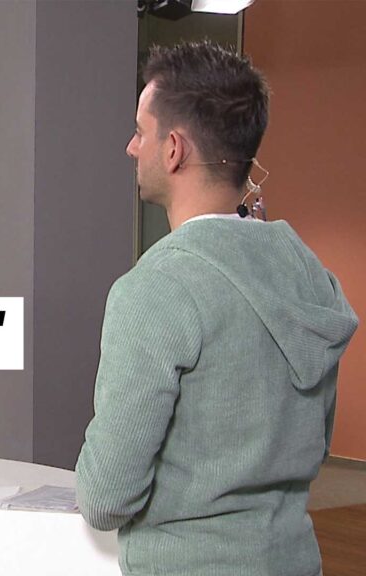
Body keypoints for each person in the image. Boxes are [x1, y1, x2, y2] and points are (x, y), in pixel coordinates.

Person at [75, 42, 358, 576]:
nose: (131, 147)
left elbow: (107, 497)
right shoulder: (309, 276)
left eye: (140, 131)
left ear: (174, 149)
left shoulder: (156, 289)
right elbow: (314, 444)